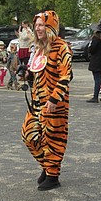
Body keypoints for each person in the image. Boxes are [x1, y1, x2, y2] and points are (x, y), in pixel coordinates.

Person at [21, 10, 72, 191]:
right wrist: (28, 75)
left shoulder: (61, 47)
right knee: (28, 134)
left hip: (54, 103)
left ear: (50, 26)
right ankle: (47, 166)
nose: (38, 28)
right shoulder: (39, 47)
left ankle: (53, 175)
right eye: (36, 26)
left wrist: (54, 98)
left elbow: (66, 75)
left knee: (53, 138)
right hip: (36, 101)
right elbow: (38, 71)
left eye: (41, 25)